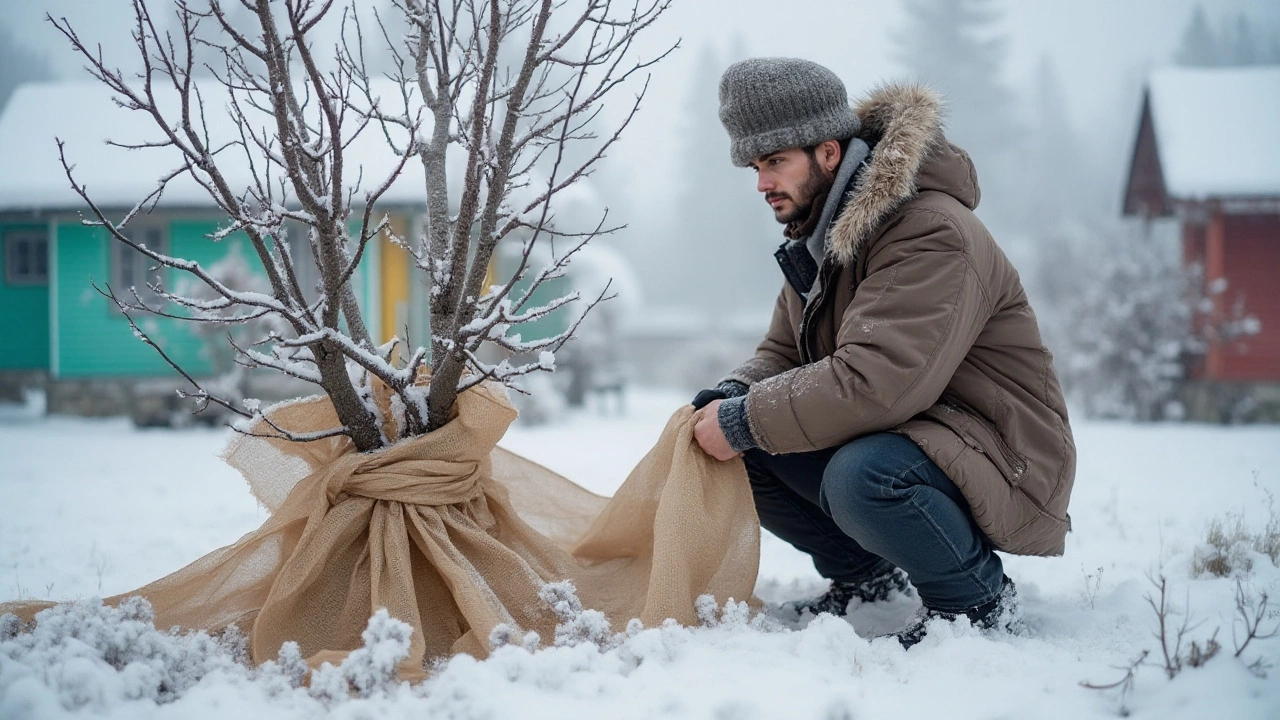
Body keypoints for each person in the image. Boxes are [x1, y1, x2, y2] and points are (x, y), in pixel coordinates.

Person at [690, 57, 1077, 647]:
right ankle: (867, 580)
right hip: (918, 435)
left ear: (828, 152)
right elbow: (783, 354)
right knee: (744, 448)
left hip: (1004, 453)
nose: (762, 183)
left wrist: (745, 421)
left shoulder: (928, 231)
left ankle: (976, 601)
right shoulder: (822, 237)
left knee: (860, 475)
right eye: (754, 165)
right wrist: (731, 398)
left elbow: (877, 382)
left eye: (774, 162)